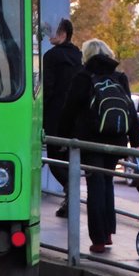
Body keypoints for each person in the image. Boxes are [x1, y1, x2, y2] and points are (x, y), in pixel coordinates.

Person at [58, 38, 139, 253]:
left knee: (95, 186)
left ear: (87, 55)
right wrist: (136, 143)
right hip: (116, 139)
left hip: (90, 140)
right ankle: (108, 233)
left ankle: (98, 239)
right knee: (107, 182)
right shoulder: (119, 76)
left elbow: (69, 110)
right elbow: (130, 111)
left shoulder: (83, 77)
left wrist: (61, 139)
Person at [42, 18, 82, 217]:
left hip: (55, 115)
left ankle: (70, 190)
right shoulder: (78, 55)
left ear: (64, 33)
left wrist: (40, 113)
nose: (50, 35)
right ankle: (70, 196)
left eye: (54, 32)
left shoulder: (50, 57)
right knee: (68, 158)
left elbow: (48, 88)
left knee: (54, 158)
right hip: (74, 117)